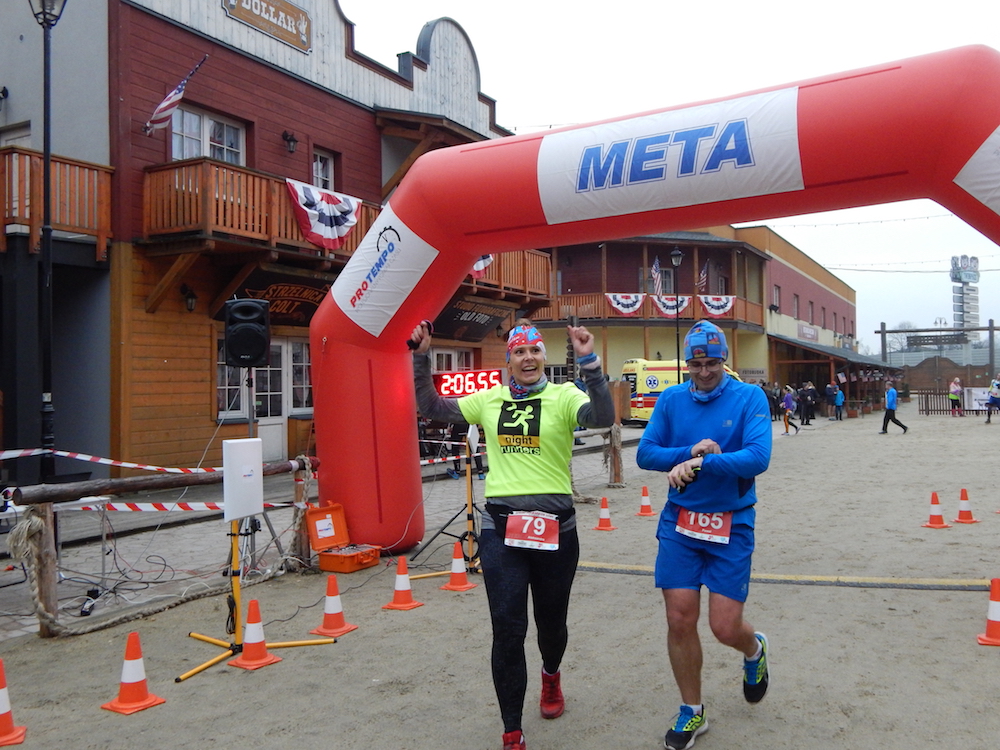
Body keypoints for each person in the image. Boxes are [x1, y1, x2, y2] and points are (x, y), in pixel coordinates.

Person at [411, 319, 615, 750]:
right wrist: (422, 356)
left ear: (543, 356)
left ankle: (551, 675)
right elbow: (431, 405)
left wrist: (591, 364)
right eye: (519, 352)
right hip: (501, 529)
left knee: (551, 624)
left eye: (534, 351)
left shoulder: (564, 395)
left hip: (555, 530)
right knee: (507, 628)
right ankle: (512, 731)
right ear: (509, 360)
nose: (528, 358)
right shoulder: (490, 399)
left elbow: (602, 417)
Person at [636, 320, 773, 750]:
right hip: (681, 524)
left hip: (732, 522)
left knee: (724, 627)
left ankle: (754, 650)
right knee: (679, 618)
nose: (704, 371)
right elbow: (645, 453)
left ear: (725, 360)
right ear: (686, 365)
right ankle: (692, 710)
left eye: (712, 363)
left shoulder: (749, 397)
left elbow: (758, 457)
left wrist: (703, 464)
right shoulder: (672, 399)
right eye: (695, 364)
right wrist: (688, 452)